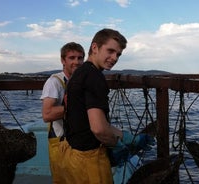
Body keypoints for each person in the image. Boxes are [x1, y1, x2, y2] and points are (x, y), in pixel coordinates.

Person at [61, 28, 154, 184]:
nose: (114, 58)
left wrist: (128, 137)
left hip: (73, 157)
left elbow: (87, 119)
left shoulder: (79, 73)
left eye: (118, 54)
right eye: (110, 51)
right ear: (95, 47)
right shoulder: (94, 77)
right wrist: (118, 145)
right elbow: (98, 128)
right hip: (90, 160)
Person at [40, 42, 85, 183]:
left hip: (79, 142)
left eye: (80, 58)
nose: (76, 62)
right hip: (61, 144)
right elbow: (47, 114)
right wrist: (80, 107)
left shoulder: (80, 81)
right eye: (72, 58)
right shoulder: (54, 82)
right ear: (62, 60)